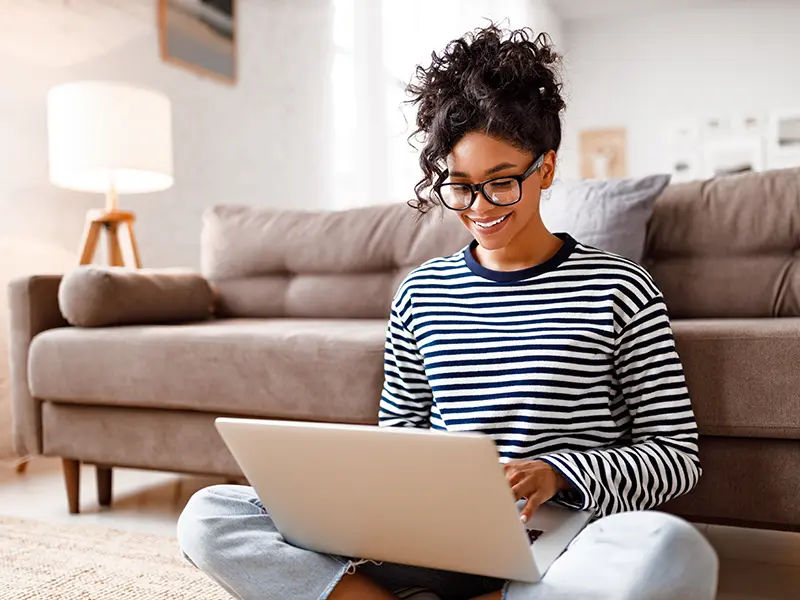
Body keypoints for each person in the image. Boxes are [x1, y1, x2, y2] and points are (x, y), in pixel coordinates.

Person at [177, 24, 718, 600]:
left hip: (560, 539)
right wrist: (369, 504)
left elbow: (676, 457)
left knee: (667, 549)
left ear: (548, 168)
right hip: (428, 536)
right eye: (458, 187)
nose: (480, 207)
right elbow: (397, 440)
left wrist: (560, 473)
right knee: (209, 515)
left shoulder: (621, 288)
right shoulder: (420, 292)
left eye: (502, 183)